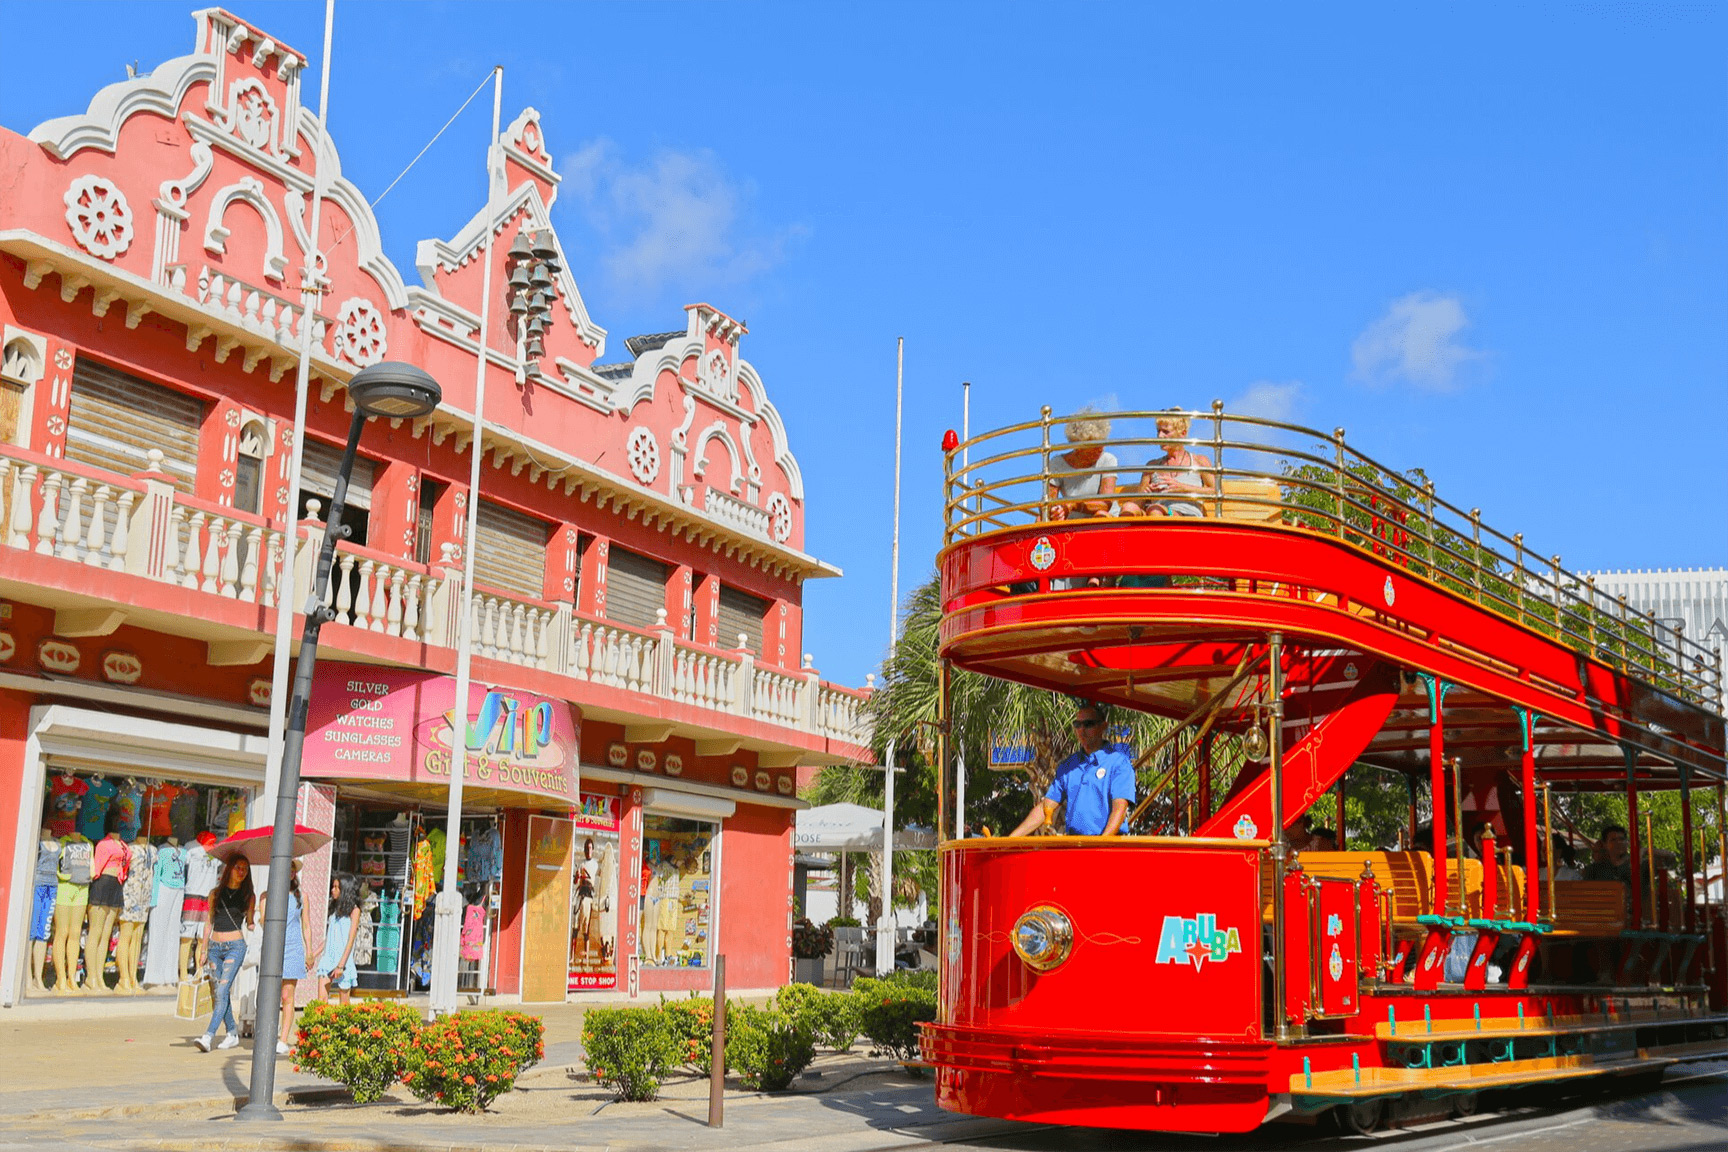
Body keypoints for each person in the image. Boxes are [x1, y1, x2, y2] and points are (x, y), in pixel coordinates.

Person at [1008, 703, 1136, 837]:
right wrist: (1011, 839)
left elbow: (1119, 809)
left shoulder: (1119, 763)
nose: (1082, 730)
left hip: (1107, 847)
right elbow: (1045, 808)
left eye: (1088, 724)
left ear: (1103, 726)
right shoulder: (1069, 766)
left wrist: (1101, 845)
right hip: (1075, 845)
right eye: (1077, 725)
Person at [195, 855, 255, 1052]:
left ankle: (208, 1036)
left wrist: (255, 922)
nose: (241, 871)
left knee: (221, 991)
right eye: (238, 867)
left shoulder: (248, 896)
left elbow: (251, 921)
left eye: (245, 868)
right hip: (214, 948)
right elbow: (208, 922)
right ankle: (231, 1033)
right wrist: (203, 950)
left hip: (235, 947)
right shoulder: (215, 893)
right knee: (220, 992)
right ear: (229, 868)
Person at [1120, 411, 1215, 518]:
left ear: (1182, 434)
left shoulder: (1199, 461)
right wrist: (1145, 494)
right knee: (1128, 507)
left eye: (1166, 432)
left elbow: (1217, 492)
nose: (1160, 436)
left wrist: (1184, 488)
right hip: (1155, 513)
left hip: (1185, 517)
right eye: (1158, 431)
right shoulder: (1152, 466)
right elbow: (1137, 503)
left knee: (1155, 510)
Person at [268, 861, 314, 1056]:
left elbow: (306, 925)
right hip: (274, 947)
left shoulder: (302, 896)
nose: (291, 871)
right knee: (271, 995)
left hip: (294, 947)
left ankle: (283, 1038)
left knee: (288, 996)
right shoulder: (272, 893)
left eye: (293, 869)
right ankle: (269, 1033)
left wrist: (309, 951)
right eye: (288, 867)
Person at [1045, 410, 1118, 522]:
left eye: (1102, 443)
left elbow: (1105, 504)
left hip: (1105, 519)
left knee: (1101, 515)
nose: (1101, 449)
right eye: (1094, 445)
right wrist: (1055, 511)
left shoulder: (1108, 460)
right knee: (1040, 519)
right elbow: (1048, 502)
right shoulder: (1057, 464)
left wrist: (1073, 505)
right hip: (1073, 521)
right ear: (1079, 447)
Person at [317, 874, 360, 1004]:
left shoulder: (354, 911)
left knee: (344, 1004)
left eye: (337, 887)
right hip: (328, 958)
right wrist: (314, 954)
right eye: (333, 886)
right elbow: (329, 937)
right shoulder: (334, 910)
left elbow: (350, 940)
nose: (333, 890)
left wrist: (341, 965)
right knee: (321, 1001)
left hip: (344, 961)